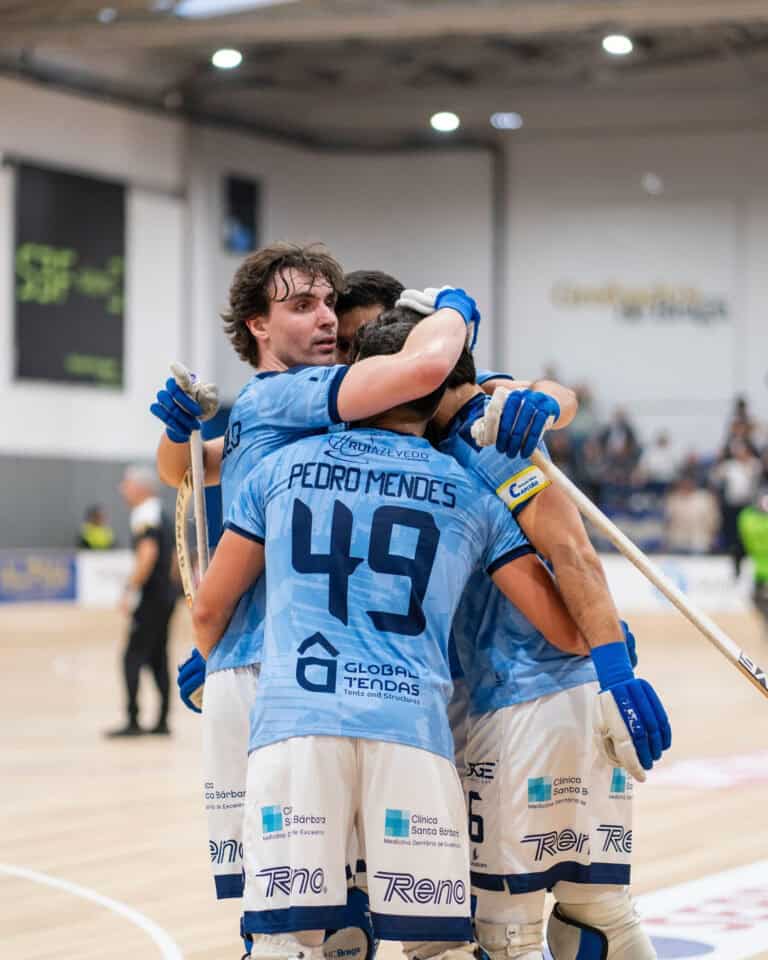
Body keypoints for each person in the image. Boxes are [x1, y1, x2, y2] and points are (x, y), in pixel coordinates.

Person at [191, 309, 589, 960]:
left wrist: (211, 667)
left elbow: (211, 610)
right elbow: (565, 628)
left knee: (285, 941)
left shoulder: (281, 467)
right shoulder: (469, 491)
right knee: (437, 949)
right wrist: (607, 641)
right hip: (413, 732)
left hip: (295, 725)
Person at [151, 247, 478, 955]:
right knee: (300, 923)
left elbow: (191, 469)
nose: (327, 319)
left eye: (330, 302)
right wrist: (459, 310)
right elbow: (428, 373)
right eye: (303, 306)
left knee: (323, 915)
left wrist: (177, 437)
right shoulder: (292, 396)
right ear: (257, 327)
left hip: (298, 673)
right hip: (282, 675)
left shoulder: (272, 409)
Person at [398, 286, 671, 959]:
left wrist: (614, 671)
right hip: (545, 699)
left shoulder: (487, 438)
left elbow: (572, 551)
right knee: (595, 918)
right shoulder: (466, 420)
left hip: (522, 703)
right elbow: (534, 390)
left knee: (503, 932)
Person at [106, 465, 175, 738]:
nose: (122, 489)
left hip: (150, 598)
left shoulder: (145, 514)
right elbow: (172, 562)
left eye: (126, 484)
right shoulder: (163, 514)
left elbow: (148, 554)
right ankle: (162, 720)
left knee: (131, 657)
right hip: (165, 596)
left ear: (140, 487)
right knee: (158, 657)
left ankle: (133, 720)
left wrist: (130, 590)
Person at [738, 489, 768, 642]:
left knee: (758, 600)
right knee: (758, 599)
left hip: (758, 569)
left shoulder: (748, 520)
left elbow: (744, 517)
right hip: (760, 569)